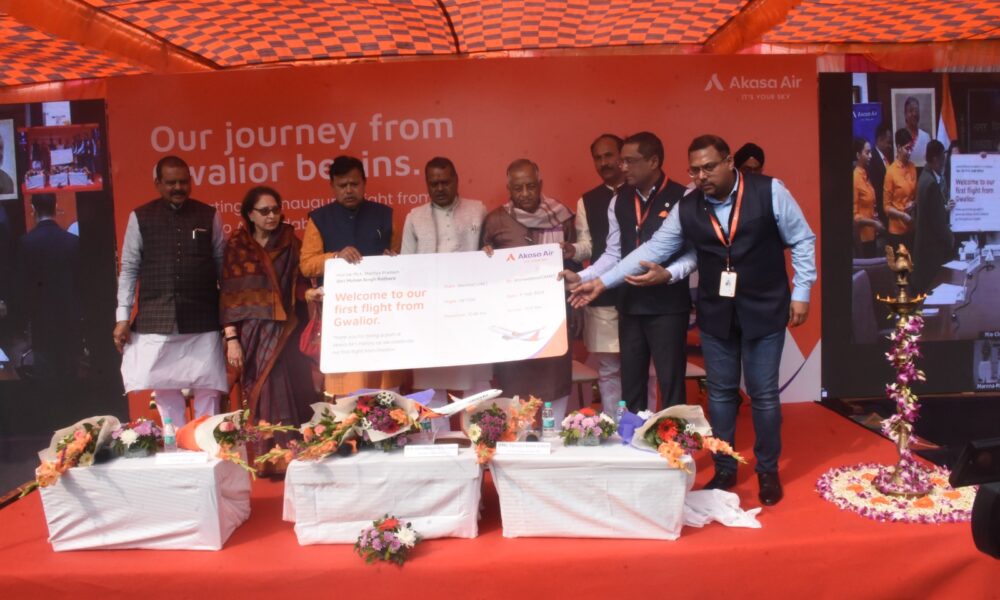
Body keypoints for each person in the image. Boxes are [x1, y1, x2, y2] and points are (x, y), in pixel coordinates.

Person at [569, 134, 816, 506]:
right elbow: (654, 248)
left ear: (729, 162)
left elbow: (802, 239)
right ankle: (725, 468)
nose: (701, 176)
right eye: (695, 170)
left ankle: (767, 470)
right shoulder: (689, 205)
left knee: (764, 395)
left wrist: (802, 291)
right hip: (717, 311)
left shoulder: (770, 191)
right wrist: (600, 282)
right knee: (720, 394)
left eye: (709, 167)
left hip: (764, 306)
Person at [561, 132, 696, 414]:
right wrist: (583, 277)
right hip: (629, 304)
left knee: (670, 384)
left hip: (668, 306)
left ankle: (674, 441)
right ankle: (632, 438)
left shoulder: (683, 197)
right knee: (631, 386)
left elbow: (694, 254)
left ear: (653, 161)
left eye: (630, 161)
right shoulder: (619, 200)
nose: (622, 167)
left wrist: (669, 273)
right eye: (621, 161)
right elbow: (613, 254)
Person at [113, 156, 226, 427]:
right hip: (156, 317)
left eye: (183, 182)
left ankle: (207, 443)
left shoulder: (208, 215)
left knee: (208, 388)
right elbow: (129, 269)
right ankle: (174, 445)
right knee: (164, 388)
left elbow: (223, 266)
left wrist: (229, 316)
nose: (178, 188)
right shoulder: (140, 217)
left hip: (203, 317)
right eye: (171, 182)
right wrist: (122, 318)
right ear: (158, 183)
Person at [221, 186, 318, 448]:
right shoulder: (237, 247)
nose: (272, 216)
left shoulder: (290, 243)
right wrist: (232, 338)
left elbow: (297, 284)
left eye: (275, 210)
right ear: (250, 214)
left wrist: (307, 294)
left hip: (286, 332)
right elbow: (229, 296)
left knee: (291, 391)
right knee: (262, 391)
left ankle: (296, 451)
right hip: (252, 337)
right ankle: (267, 456)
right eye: (264, 211)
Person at [299, 155, 405, 396]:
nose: (348, 190)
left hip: (382, 314)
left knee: (385, 388)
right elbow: (306, 265)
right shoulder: (319, 219)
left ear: (364, 183)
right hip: (342, 317)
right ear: (332, 186)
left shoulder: (385, 215)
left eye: (354, 184)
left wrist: (393, 259)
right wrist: (336, 257)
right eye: (342, 185)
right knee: (347, 391)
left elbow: (400, 257)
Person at [481, 159, 575, 424]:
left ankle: (554, 433)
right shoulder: (496, 220)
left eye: (531, 186)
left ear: (540, 185)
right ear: (509, 189)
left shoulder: (562, 216)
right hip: (512, 320)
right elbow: (482, 272)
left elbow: (575, 263)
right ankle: (518, 434)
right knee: (514, 383)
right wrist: (484, 256)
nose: (525, 194)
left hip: (553, 317)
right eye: (518, 188)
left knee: (555, 378)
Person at [400, 157, 490, 431]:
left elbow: (491, 251)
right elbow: (406, 266)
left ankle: (483, 438)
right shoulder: (414, 217)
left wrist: (489, 252)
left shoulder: (478, 210)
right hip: (432, 314)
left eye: (445, 182)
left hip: (471, 309)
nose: (439, 188)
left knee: (476, 377)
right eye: (433, 183)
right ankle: (436, 441)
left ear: (456, 180)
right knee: (432, 380)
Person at [562, 134, 626, 414]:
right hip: (602, 294)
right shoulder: (587, 200)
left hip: (641, 292)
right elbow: (588, 246)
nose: (604, 163)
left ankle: (643, 426)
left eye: (609, 155)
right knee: (609, 369)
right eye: (598, 158)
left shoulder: (640, 193)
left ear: (623, 156)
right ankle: (613, 426)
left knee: (644, 369)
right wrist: (571, 249)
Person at [16, 194, 81, 380]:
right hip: (69, 314)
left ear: (33, 209)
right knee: (70, 369)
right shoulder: (73, 242)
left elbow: (22, 285)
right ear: (56, 206)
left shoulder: (25, 243)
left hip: (40, 317)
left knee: (46, 370)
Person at [912, 140, 955, 295]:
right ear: (936, 159)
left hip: (924, 248)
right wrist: (951, 239)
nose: (944, 162)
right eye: (943, 158)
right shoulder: (931, 184)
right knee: (931, 293)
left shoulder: (924, 176)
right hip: (931, 251)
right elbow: (938, 223)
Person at [884, 128, 917, 251]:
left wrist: (913, 203)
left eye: (911, 148)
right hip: (896, 231)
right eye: (907, 148)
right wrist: (902, 215)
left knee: (912, 262)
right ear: (898, 147)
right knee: (901, 264)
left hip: (911, 227)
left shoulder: (912, 167)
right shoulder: (890, 172)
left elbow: (916, 196)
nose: (909, 152)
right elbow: (886, 207)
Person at [852, 137, 883, 258]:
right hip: (862, 237)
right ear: (858, 155)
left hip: (871, 234)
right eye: (867, 153)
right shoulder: (855, 178)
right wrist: (873, 223)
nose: (870, 156)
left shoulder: (865, 175)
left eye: (870, 152)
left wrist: (875, 220)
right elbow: (855, 216)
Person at [867, 123, 893, 239]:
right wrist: (878, 217)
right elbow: (876, 189)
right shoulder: (872, 159)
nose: (890, 146)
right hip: (880, 215)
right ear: (879, 140)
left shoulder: (886, 159)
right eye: (888, 142)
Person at [903, 96, 933, 166]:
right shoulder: (900, 136)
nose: (914, 114)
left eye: (916, 111)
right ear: (905, 114)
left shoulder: (926, 137)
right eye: (911, 111)